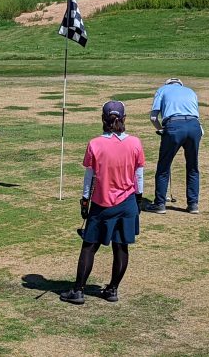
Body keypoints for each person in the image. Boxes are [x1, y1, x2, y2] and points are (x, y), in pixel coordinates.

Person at [60, 101, 145, 305]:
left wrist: (84, 201)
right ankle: (112, 289)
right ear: (124, 119)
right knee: (121, 247)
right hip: (127, 203)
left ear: (102, 119)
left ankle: (78, 290)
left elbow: (89, 177)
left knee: (89, 246)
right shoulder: (135, 143)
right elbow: (139, 175)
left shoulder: (95, 144)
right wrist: (139, 198)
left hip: (101, 204)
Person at [143, 78, 202, 215]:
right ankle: (193, 205)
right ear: (180, 84)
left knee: (164, 166)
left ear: (167, 84)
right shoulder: (190, 91)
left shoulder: (162, 90)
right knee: (193, 167)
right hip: (194, 126)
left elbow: (153, 117)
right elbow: (195, 115)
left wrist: (161, 130)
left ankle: (160, 204)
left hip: (174, 126)